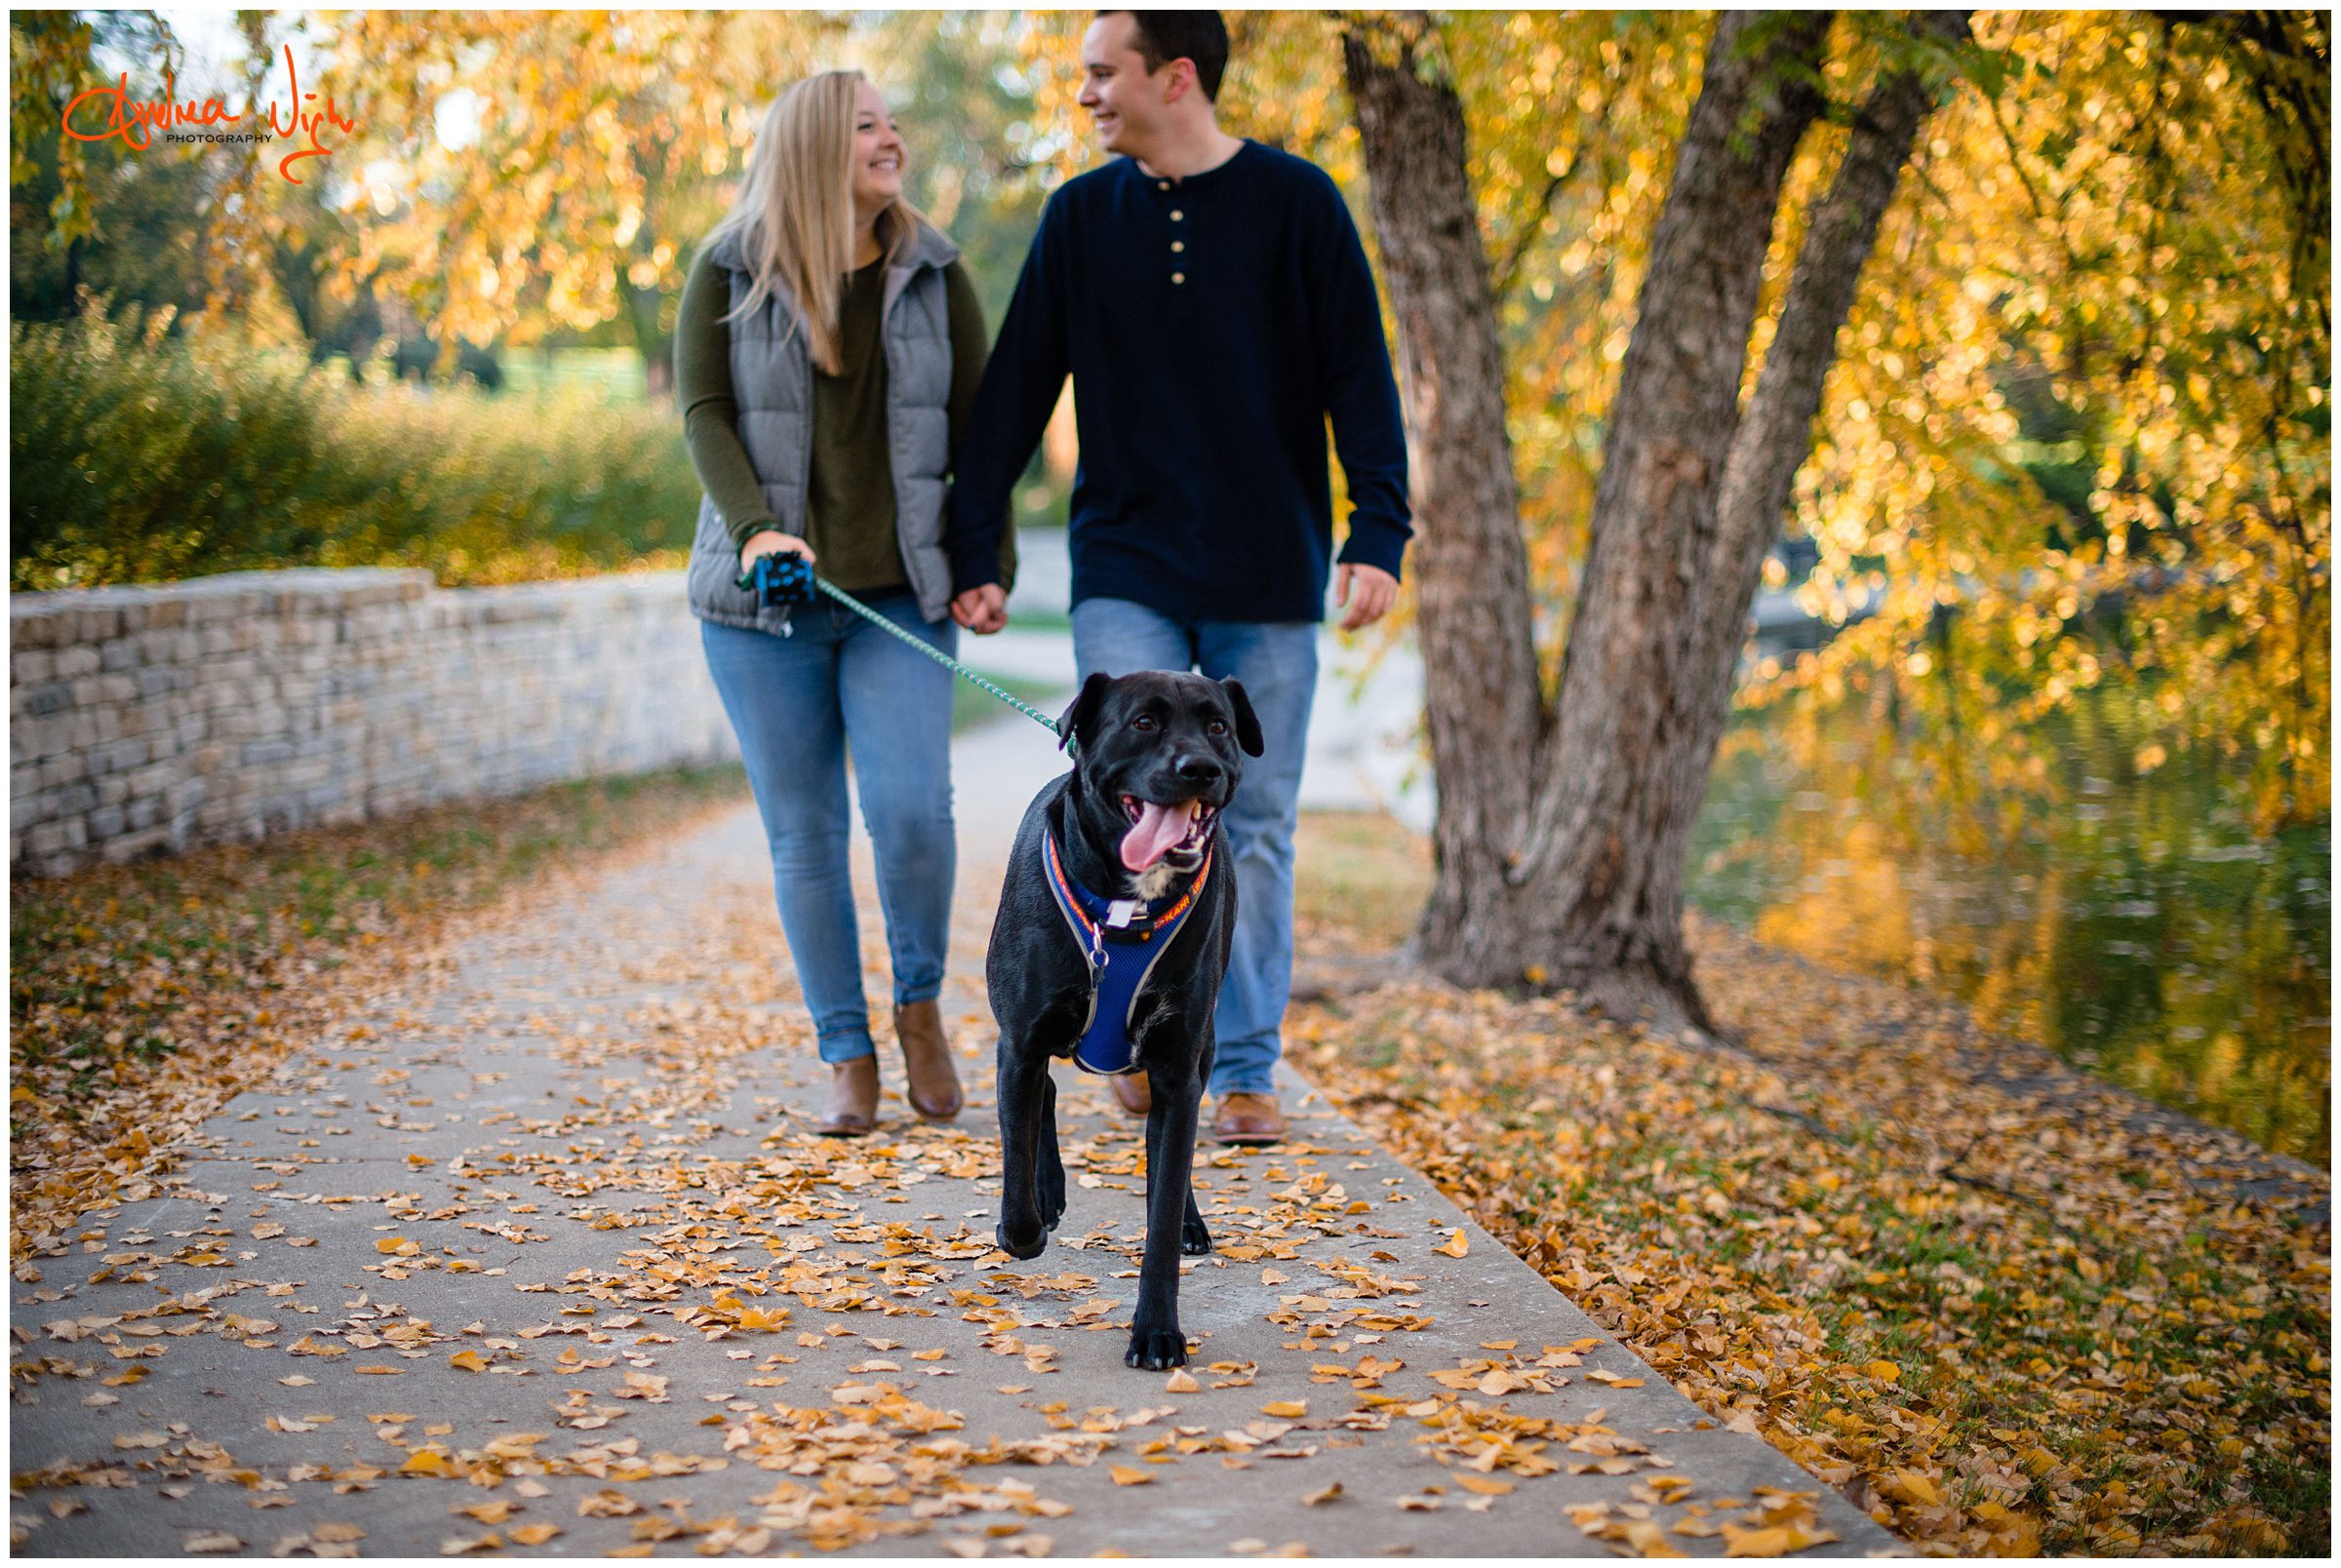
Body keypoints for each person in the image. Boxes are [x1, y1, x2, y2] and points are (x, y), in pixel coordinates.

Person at [946, 12, 1412, 1145]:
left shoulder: (1299, 206)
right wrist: (976, 549)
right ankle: (1120, 1030)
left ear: (1178, 77)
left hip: (1267, 566)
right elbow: (1015, 392)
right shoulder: (1078, 219)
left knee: (1250, 825)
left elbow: (1361, 373)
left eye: (1103, 75)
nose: (1089, 96)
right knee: (1117, 802)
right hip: (1128, 559)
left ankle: (1243, 1065)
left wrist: (1378, 532)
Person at [677, 69, 1010, 1137]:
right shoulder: (729, 267)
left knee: (913, 811)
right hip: (761, 605)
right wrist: (753, 526)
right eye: (868, 124)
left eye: (894, 121)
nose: (892, 137)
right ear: (820, 144)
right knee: (804, 836)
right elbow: (704, 412)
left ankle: (918, 1007)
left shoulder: (936, 269)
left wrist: (985, 560)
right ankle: (845, 1050)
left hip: (900, 600)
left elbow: (984, 434)